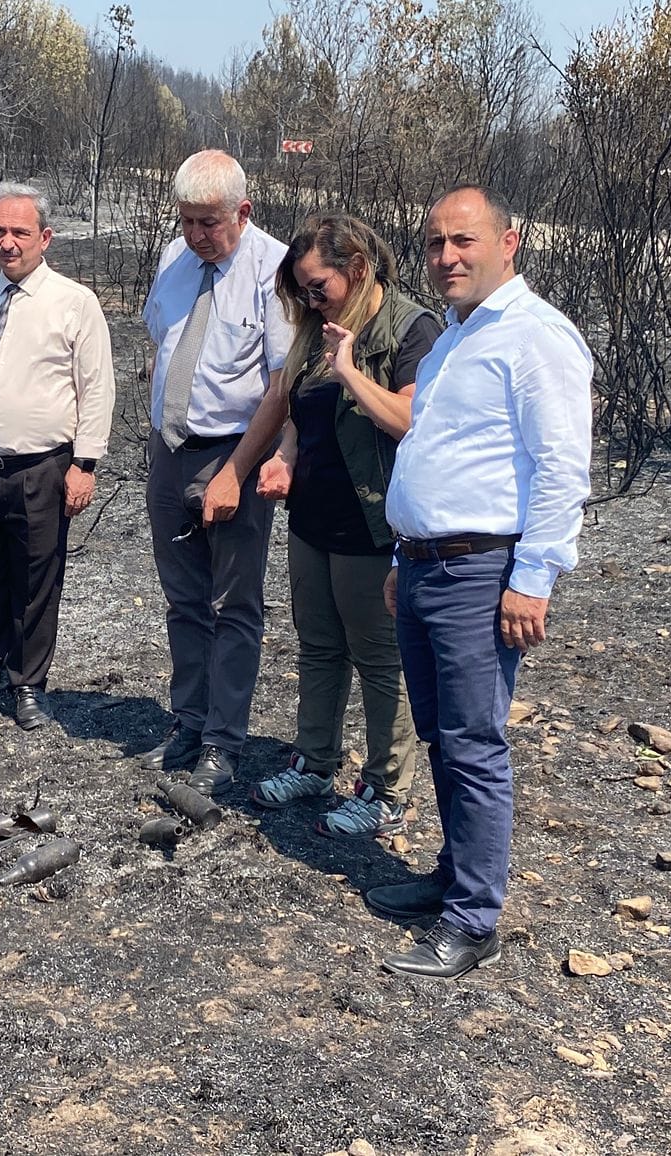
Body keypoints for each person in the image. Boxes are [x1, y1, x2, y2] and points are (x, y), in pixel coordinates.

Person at [364, 186, 593, 980]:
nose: (447, 258)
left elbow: (563, 466)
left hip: (480, 569)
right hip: (426, 566)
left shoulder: (535, 338)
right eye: (434, 244)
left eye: (463, 241)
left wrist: (534, 578)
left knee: (474, 743)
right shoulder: (453, 338)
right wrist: (401, 560)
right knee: (440, 735)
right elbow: (434, 451)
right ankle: (452, 878)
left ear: (510, 242)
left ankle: (473, 920)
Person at [228, 215, 435, 839]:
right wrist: (283, 458)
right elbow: (298, 409)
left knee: (379, 658)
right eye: (302, 291)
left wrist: (349, 369)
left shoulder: (410, 326)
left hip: (374, 521)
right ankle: (315, 762)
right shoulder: (313, 329)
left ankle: (386, 788)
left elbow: (409, 420)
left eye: (318, 287)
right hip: (313, 516)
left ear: (358, 269)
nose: (310, 301)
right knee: (318, 648)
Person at [0, 182, 114, 729]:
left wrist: (85, 465)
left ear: (45, 237)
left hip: (42, 469)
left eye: (20, 232)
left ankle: (29, 684)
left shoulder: (74, 302)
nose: (8, 243)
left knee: (37, 580)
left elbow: (97, 386)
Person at [138, 149, 292, 790]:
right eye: (187, 221)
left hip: (236, 452)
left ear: (243, 212)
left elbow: (284, 383)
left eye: (210, 223)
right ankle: (189, 720)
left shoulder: (275, 269)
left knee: (233, 604)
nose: (197, 236)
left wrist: (241, 468)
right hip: (170, 450)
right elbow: (164, 341)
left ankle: (223, 745)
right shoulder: (175, 261)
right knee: (184, 600)